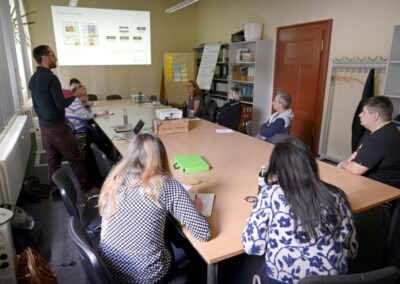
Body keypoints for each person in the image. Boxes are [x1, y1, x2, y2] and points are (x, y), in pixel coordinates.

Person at [242, 137, 358, 284]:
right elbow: (352, 249)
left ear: (277, 168)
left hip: (282, 278)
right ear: (311, 164)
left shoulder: (270, 194)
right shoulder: (337, 194)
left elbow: (253, 247)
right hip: (331, 279)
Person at [98, 133, 211, 283]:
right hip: (147, 277)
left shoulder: (116, 176)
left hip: (108, 272)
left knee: (169, 225)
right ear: (160, 157)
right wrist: (194, 208)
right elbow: (203, 233)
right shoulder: (165, 185)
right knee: (182, 236)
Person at [28, 45, 91, 200]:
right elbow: (61, 104)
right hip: (56, 125)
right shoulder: (51, 78)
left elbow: (38, 104)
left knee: (53, 157)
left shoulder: (33, 79)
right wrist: (76, 94)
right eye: (53, 55)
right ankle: (87, 187)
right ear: (45, 57)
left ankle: (55, 189)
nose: (56, 58)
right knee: (74, 155)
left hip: (45, 125)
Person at [338, 96, 400, 188]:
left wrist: (343, 164)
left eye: (364, 112)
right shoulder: (385, 129)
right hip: (372, 181)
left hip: (382, 188)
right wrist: (346, 164)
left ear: (375, 116)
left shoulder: (380, 138)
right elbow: (356, 154)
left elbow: (356, 169)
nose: (359, 115)